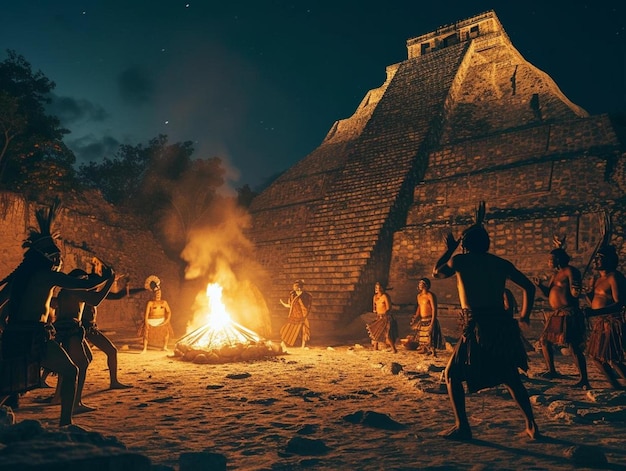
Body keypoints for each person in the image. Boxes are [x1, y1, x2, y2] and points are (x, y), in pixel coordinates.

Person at [432, 201, 539, 440]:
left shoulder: (460, 261)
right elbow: (529, 287)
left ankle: (463, 426)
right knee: (510, 376)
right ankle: (532, 425)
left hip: (477, 325)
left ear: (465, 245)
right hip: (499, 325)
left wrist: (451, 249)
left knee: (452, 374)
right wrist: (525, 315)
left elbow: (436, 272)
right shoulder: (501, 264)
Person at [0, 200, 110, 426]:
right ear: (49, 258)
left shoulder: (19, 279)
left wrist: (7, 329)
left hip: (18, 336)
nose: (59, 262)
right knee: (69, 372)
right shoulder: (46, 276)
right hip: (33, 336)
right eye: (57, 258)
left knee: (11, 382)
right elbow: (83, 286)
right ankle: (65, 423)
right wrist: (106, 277)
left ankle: (66, 422)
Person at [48, 266, 116, 412]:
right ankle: (75, 403)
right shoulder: (75, 291)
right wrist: (109, 281)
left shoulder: (65, 292)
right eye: (84, 282)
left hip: (67, 329)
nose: (86, 286)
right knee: (81, 364)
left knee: (83, 360)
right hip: (70, 330)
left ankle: (61, 397)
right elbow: (96, 300)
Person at [534, 239, 590, 389]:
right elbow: (548, 293)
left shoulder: (571, 271)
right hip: (556, 314)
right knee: (544, 341)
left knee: (573, 345)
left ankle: (584, 379)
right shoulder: (555, 275)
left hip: (568, 312)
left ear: (557, 260)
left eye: (550, 259)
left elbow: (574, 291)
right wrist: (540, 286)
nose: (548, 262)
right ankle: (552, 371)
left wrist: (576, 290)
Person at [83, 257, 138, 388]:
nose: (98, 286)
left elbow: (117, 296)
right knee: (78, 358)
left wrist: (123, 286)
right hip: (82, 328)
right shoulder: (84, 294)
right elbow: (96, 300)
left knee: (110, 352)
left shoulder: (94, 292)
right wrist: (109, 279)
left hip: (90, 328)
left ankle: (114, 382)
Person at [584, 245, 626, 389]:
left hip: (612, 321)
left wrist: (594, 312)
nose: (596, 261)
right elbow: (596, 302)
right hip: (600, 321)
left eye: (600, 258)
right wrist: (587, 296)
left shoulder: (614, 277)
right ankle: (615, 386)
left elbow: (619, 303)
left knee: (611, 358)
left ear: (609, 260)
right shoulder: (598, 279)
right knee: (596, 357)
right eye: (595, 258)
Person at [409, 278, 445, 355]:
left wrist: (432, 322)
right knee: (423, 336)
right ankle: (424, 349)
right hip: (423, 319)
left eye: (421, 283)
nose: (419, 285)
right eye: (419, 283)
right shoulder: (419, 296)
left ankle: (432, 351)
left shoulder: (430, 295)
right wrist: (415, 317)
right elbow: (419, 307)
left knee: (430, 335)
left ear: (426, 285)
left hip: (430, 319)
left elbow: (434, 309)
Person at [140, 276, 173, 353]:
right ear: (153, 294)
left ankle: (164, 347)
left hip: (162, 320)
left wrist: (167, 320)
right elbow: (146, 313)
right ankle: (144, 349)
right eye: (156, 293)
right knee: (146, 333)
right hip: (151, 320)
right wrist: (146, 322)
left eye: (159, 293)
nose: (158, 295)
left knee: (166, 332)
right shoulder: (150, 303)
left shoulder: (164, 302)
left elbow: (169, 312)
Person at [366, 282, 398, 353]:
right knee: (376, 332)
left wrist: (384, 314)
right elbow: (374, 307)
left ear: (383, 288)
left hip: (386, 317)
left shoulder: (385, 296)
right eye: (376, 288)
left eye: (379, 288)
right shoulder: (375, 297)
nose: (377, 289)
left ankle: (393, 349)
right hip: (378, 317)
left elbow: (389, 307)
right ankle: (375, 347)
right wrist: (375, 311)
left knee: (387, 334)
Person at [279, 279, 312, 348]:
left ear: (299, 287)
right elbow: (290, 305)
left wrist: (304, 315)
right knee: (288, 329)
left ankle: (303, 345)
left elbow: (307, 307)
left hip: (302, 316)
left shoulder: (307, 296)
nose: (293, 287)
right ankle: (285, 343)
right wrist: (283, 304)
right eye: (294, 286)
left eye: (295, 286)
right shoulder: (292, 294)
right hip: (294, 316)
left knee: (304, 330)